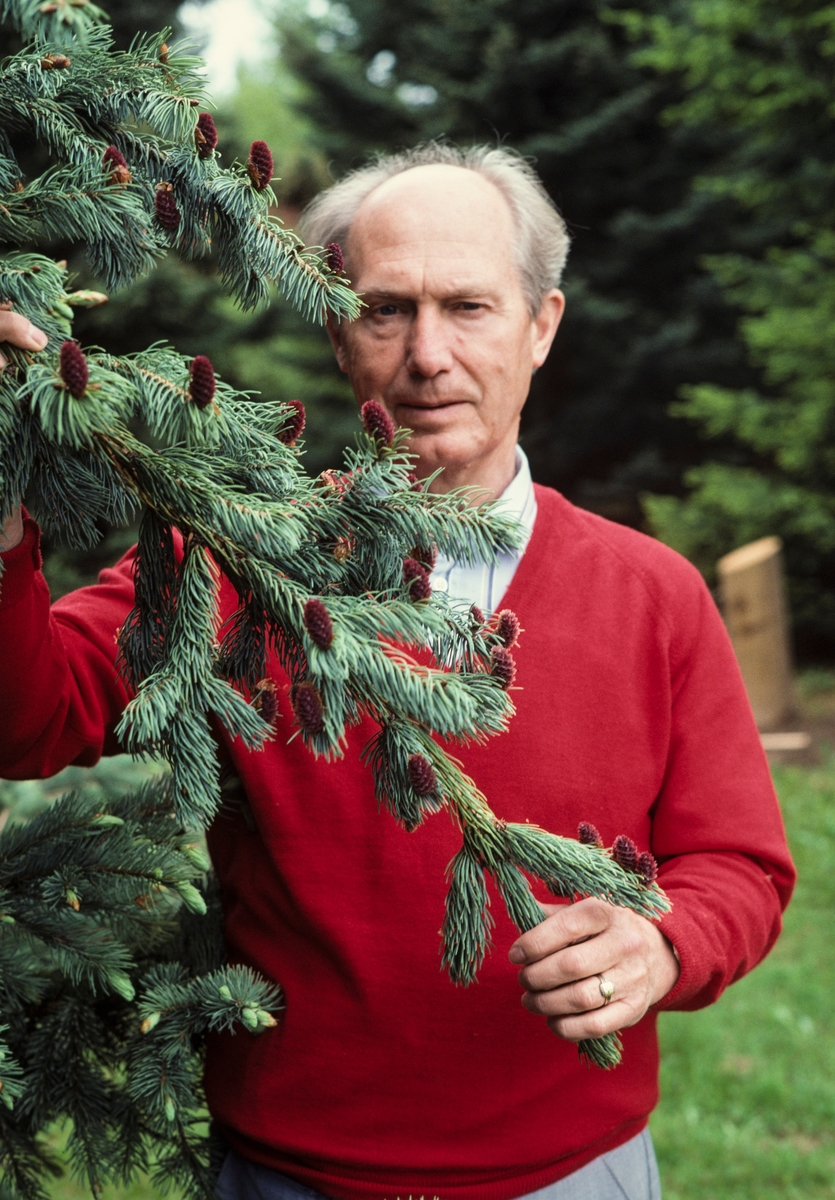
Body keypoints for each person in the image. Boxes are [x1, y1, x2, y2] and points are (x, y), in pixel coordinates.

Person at [0, 144, 795, 1200]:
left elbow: (740, 863)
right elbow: (30, 722)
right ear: (337, 333)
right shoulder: (237, 561)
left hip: (572, 1172)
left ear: (541, 326)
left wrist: (665, 942)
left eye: (468, 307)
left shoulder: (654, 595)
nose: (428, 355)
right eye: (385, 310)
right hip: (291, 1175)